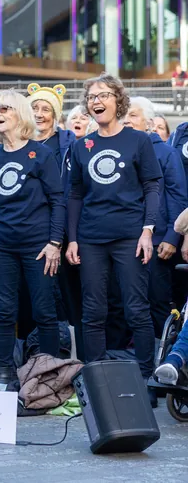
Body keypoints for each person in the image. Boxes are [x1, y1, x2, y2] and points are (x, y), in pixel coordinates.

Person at [66, 74, 161, 381]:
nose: (97, 101)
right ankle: (96, 378)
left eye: (104, 95)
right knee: (93, 311)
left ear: (118, 101)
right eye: (92, 96)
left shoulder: (138, 140)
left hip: (129, 236)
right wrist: (72, 239)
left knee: (136, 308)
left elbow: (152, 187)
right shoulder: (82, 147)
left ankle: (147, 376)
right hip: (91, 238)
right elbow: (76, 195)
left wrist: (148, 230)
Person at [0, 91, 64, 386]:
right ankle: (4, 372)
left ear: (19, 114)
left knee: (44, 309)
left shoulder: (41, 154)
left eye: (4, 107)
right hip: (1, 245)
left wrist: (55, 243)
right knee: (3, 311)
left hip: (38, 246)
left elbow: (58, 200)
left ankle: (50, 374)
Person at [125, 97, 185, 341]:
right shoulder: (119, 151)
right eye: (124, 116)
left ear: (148, 122)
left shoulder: (166, 153)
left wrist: (172, 237)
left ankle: (161, 359)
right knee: (126, 303)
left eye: (133, 115)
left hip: (158, 242)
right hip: (124, 240)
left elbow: (179, 197)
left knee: (157, 302)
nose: (127, 120)